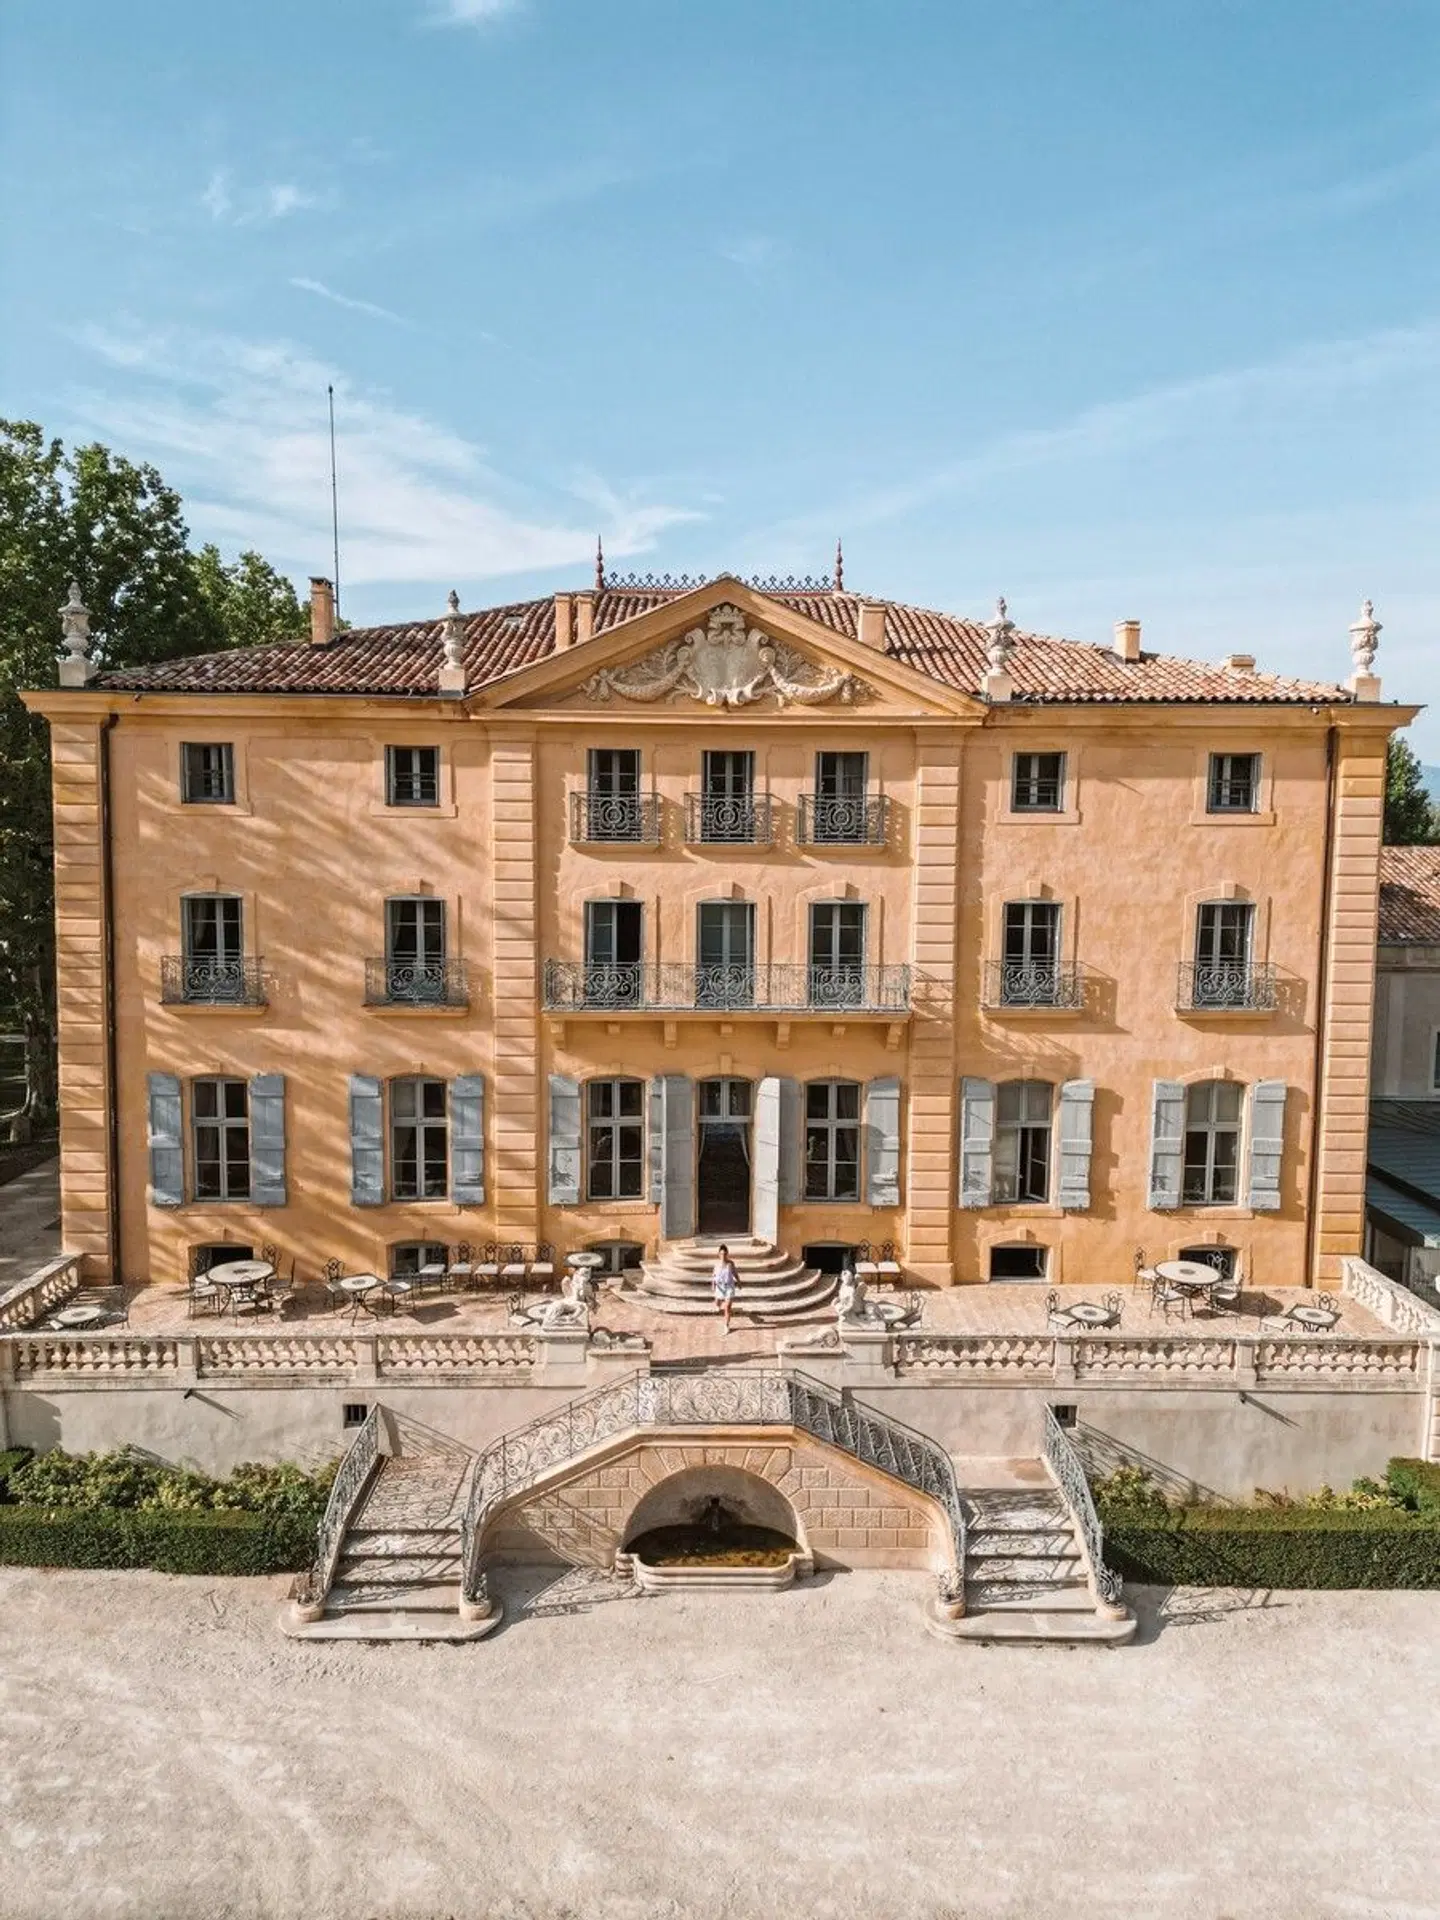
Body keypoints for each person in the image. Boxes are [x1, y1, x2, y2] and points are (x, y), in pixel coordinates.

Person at [711, 1243, 740, 1334]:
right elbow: (714, 1276)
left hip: (729, 1286)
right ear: (719, 1255)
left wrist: (739, 1282)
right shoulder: (716, 1264)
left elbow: (735, 1273)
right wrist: (713, 1285)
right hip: (719, 1287)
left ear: (727, 1254)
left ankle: (726, 1325)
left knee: (727, 1307)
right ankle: (717, 1304)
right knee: (718, 1303)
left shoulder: (730, 1263)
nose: (723, 1256)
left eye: (725, 1254)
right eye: (721, 1254)